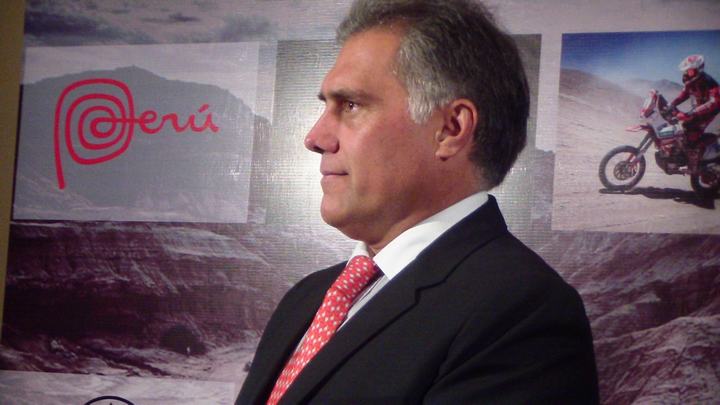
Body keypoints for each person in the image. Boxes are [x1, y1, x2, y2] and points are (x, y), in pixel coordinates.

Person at [237, 0, 599, 403]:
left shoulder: (522, 313)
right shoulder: (306, 298)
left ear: (450, 129)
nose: (315, 138)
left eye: (351, 105)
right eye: (326, 107)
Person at [668, 54, 720, 172]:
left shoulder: (709, 82)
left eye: (690, 70)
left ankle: (696, 165)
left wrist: (692, 113)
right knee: (686, 128)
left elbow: (713, 102)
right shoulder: (691, 81)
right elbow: (684, 94)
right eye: (686, 70)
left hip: (715, 114)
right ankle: (687, 159)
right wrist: (672, 104)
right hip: (702, 112)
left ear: (698, 69)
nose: (687, 72)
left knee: (697, 135)